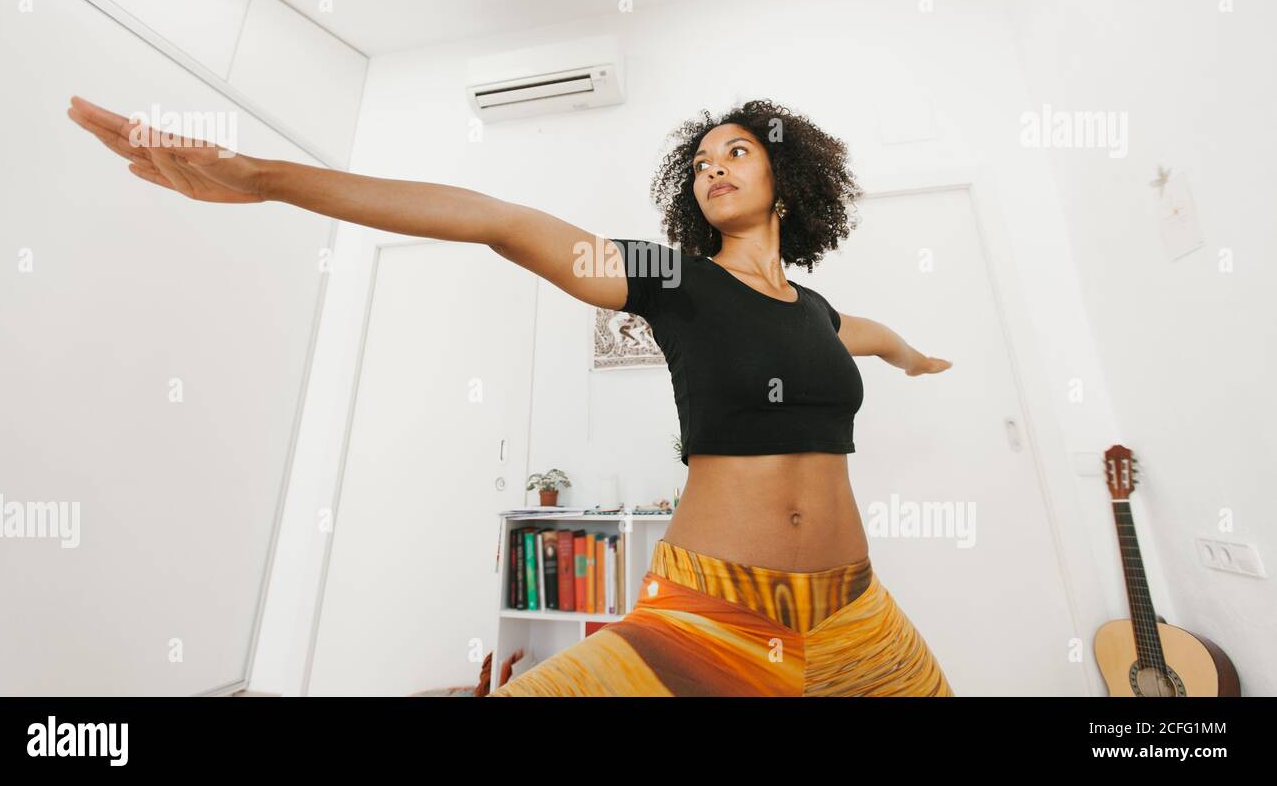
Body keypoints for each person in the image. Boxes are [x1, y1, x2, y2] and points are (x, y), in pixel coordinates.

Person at [66, 94, 955, 697]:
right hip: (708, 614)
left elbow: (863, 337)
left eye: (738, 151)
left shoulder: (817, 314)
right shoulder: (671, 278)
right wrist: (263, 177)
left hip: (855, 612)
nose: (712, 167)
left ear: (788, 182)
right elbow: (499, 220)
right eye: (700, 162)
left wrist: (911, 354)